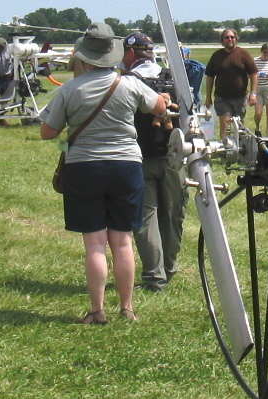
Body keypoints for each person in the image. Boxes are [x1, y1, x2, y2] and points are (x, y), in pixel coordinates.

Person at [39, 25, 169, 324]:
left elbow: (48, 132)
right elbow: (159, 105)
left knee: (95, 244)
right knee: (122, 241)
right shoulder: (129, 84)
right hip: (126, 165)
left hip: (84, 166)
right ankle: (127, 307)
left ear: (84, 58)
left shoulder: (70, 89)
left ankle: (97, 310)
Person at [122, 32, 184, 292]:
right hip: (174, 158)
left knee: (145, 218)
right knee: (173, 216)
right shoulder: (173, 77)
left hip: (140, 157)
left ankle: (154, 277)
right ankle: (168, 269)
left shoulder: (127, 81)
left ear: (131, 53)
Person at [203, 28, 258, 139]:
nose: (230, 39)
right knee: (225, 123)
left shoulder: (243, 54)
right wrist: (208, 97)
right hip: (222, 97)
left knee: (240, 125)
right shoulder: (216, 56)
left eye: (232, 37)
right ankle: (226, 148)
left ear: (236, 39)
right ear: (222, 40)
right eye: (227, 37)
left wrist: (253, 93)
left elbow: (254, 73)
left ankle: (240, 147)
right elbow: (210, 77)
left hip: (240, 97)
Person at [252, 42, 268, 134]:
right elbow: (249, 74)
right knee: (258, 112)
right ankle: (257, 128)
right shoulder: (255, 60)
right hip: (258, 88)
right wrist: (256, 75)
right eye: (265, 52)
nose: (266, 54)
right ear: (261, 51)